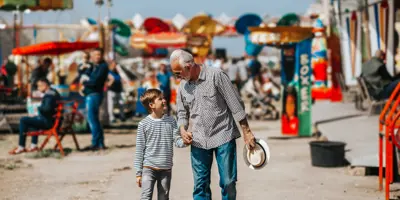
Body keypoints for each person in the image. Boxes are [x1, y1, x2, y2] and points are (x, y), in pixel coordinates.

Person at [170, 49, 256, 200]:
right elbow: (182, 113)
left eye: (179, 73)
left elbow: (235, 104)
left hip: (223, 135)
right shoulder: (183, 87)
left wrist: (247, 132)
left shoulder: (216, 75)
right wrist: (182, 129)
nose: (178, 77)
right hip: (198, 140)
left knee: (228, 182)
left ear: (189, 66)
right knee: (200, 186)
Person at [134, 88, 187, 200]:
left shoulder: (171, 121)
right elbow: (139, 149)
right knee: (146, 196)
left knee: (164, 197)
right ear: (151, 105)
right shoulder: (143, 124)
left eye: (163, 98)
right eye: (160, 99)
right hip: (148, 168)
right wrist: (138, 173)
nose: (164, 100)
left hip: (166, 169)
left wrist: (185, 141)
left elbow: (177, 141)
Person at [9, 78, 61, 154]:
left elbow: (47, 109)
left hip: (49, 123)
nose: (38, 88)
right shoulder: (54, 92)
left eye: (39, 86)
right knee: (34, 119)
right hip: (54, 120)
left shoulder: (49, 95)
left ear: (45, 85)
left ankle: (21, 147)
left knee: (23, 120)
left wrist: (38, 108)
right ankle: (33, 146)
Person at [81, 48, 109, 150]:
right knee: (94, 119)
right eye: (95, 55)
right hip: (91, 94)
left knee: (92, 119)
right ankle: (99, 143)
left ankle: (95, 143)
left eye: (98, 54)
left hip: (95, 94)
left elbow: (95, 81)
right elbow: (83, 74)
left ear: (102, 55)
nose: (97, 57)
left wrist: (85, 82)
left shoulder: (103, 66)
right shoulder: (93, 66)